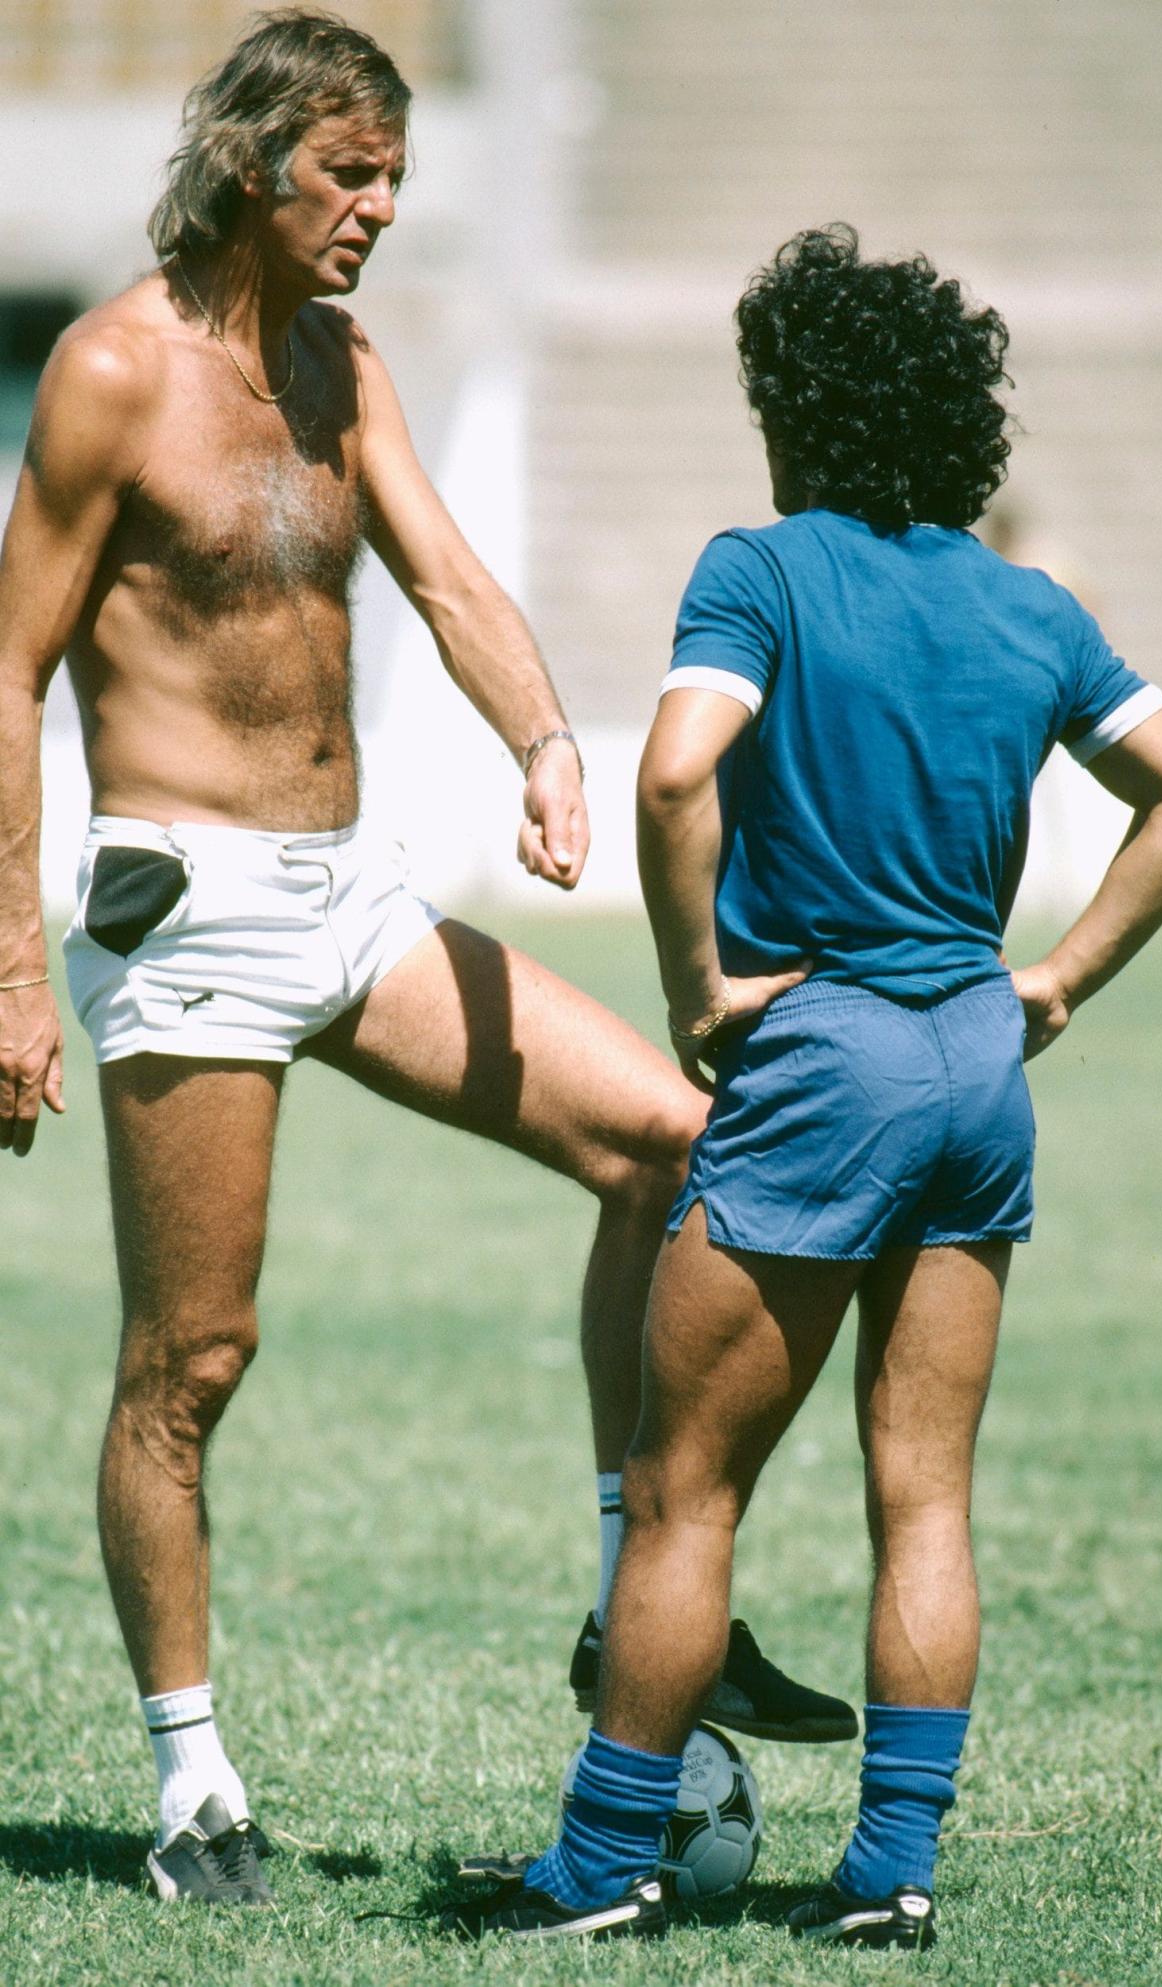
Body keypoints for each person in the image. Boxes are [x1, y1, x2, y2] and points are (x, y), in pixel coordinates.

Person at [0, 15, 854, 1907]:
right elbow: (8, 670)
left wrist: (546, 741)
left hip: (353, 895)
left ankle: (644, 1598)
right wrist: (7, 966)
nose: (377, 210)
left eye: (392, 176)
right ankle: (193, 1786)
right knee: (192, 1359)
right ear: (251, 167)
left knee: (666, 1143)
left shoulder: (340, 357)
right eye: (348, 176)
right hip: (181, 907)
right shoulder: (109, 373)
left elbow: (449, 576)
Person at [457, 224, 1162, 1944]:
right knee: (925, 1495)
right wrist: (1055, 979)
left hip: (822, 1062)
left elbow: (672, 779)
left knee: (683, 1493)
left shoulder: (760, 568)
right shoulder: (1028, 603)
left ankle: (596, 1872)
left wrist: (693, 991)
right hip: (975, 1063)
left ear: (788, 407)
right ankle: (890, 1878)